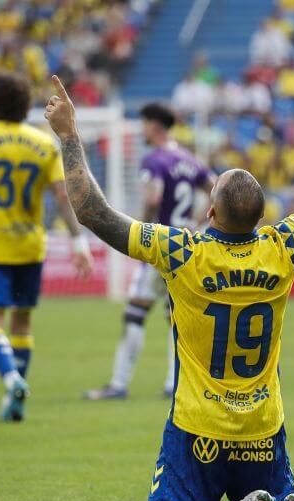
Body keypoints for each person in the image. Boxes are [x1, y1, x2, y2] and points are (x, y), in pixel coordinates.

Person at [45, 42, 294, 501]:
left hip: (198, 429)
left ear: (210, 211)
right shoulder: (284, 247)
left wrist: (70, 137)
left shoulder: (182, 252)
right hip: (263, 426)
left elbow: (92, 211)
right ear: (260, 215)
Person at [0, 72, 93, 422]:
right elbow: (63, 196)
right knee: (22, 324)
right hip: (31, 246)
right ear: (26, 105)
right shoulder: (42, 144)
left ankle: (11, 379)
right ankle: (17, 402)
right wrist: (78, 240)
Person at [84, 103, 216, 401]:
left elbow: (154, 196)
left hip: (160, 246)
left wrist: (140, 231)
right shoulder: (190, 160)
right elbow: (217, 190)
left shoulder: (155, 160)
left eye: (144, 124)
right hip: (188, 249)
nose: (142, 130)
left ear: (154, 125)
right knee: (177, 318)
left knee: (135, 314)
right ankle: (174, 383)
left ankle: (119, 384)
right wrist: (197, 224)